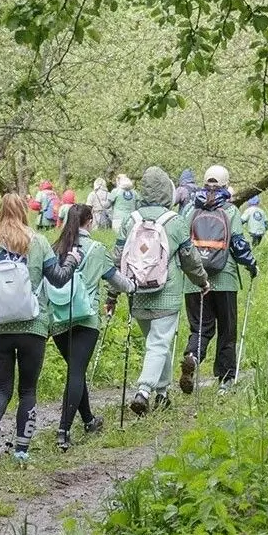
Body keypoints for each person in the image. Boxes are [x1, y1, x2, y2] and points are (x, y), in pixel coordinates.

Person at [0, 192, 76, 464]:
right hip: (33, 328)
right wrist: (71, 260)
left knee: (1, 389)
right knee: (27, 390)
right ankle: (22, 450)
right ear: (25, 211)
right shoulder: (39, 242)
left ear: (0, 213)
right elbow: (58, 280)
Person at [115, 167, 209, 415]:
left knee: (156, 343)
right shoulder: (174, 221)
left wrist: (112, 294)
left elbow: (116, 258)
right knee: (159, 344)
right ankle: (144, 391)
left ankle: (163, 393)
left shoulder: (130, 220)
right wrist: (202, 281)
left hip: (135, 292)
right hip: (166, 294)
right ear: (168, 191)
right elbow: (190, 258)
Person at [46, 204, 132, 450]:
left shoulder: (55, 249)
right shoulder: (97, 249)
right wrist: (133, 286)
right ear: (89, 221)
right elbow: (117, 280)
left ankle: (88, 421)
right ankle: (63, 431)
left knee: (76, 370)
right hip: (86, 319)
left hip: (59, 320)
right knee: (76, 372)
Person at [180, 165, 259, 391]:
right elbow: (238, 244)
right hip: (225, 279)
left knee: (200, 328)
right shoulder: (230, 211)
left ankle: (192, 358)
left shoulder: (190, 211)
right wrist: (251, 265)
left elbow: (183, 245)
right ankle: (225, 381)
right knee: (227, 329)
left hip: (195, 281)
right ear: (226, 185)